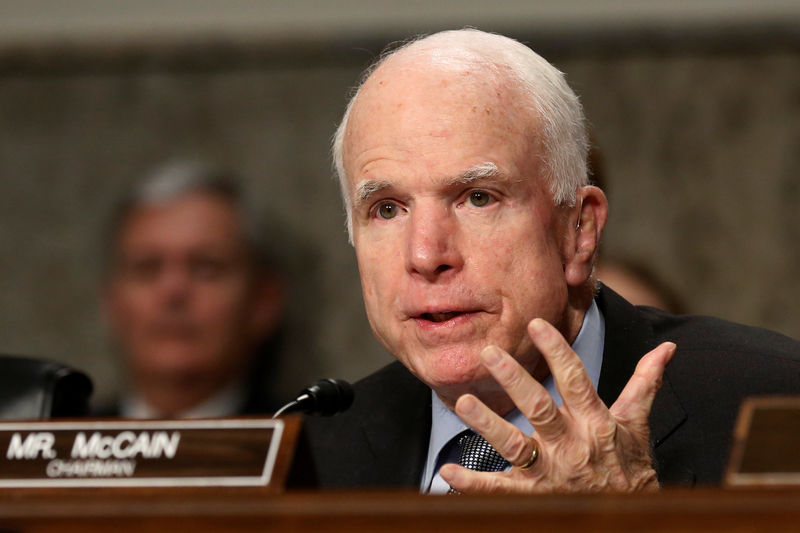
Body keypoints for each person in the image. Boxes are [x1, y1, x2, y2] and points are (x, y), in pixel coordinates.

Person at [295, 29, 800, 492]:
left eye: (477, 198)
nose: (426, 255)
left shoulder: (770, 399)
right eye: (387, 209)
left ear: (578, 230)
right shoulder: (315, 452)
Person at [97, 160, 285, 418]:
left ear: (264, 301)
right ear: (111, 301)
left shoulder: (306, 447)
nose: (173, 292)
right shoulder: (61, 448)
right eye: (147, 268)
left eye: (206, 268)